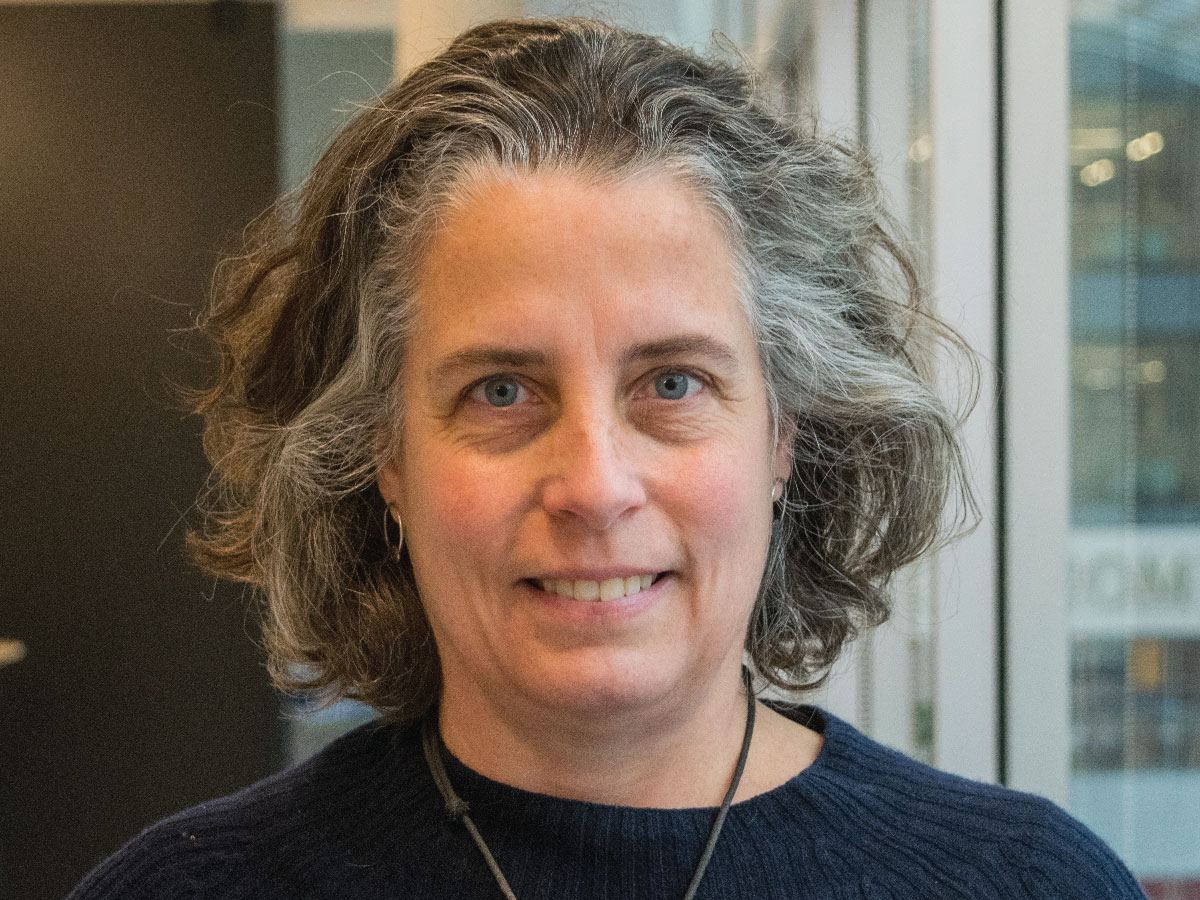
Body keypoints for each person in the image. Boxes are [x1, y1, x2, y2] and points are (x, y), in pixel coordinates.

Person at [69, 16, 1146, 900]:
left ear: (784, 436)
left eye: (672, 385)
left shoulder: (1031, 884)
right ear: (381, 455)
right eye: (501, 391)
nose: (594, 486)